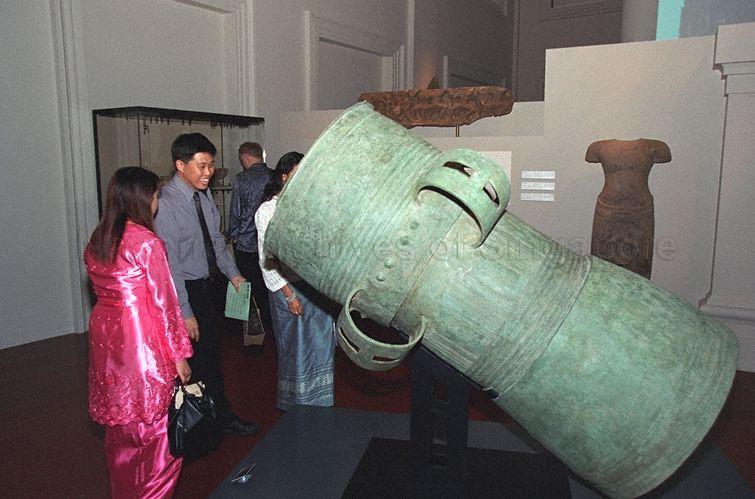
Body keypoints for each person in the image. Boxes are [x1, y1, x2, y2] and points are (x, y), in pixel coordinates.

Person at [84, 167, 193, 498]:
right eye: (156, 196)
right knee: (159, 445)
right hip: (142, 345)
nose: (157, 202)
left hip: (107, 344)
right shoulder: (146, 242)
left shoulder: (98, 240)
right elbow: (164, 305)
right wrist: (179, 357)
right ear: (143, 199)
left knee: (120, 441)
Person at [155, 133, 258, 435]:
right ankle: (200, 424)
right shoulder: (166, 204)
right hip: (187, 292)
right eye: (201, 166)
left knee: (212, 356)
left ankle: (216, 417)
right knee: (196, 362)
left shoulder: (204, 195)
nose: (208, 173)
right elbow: (170, 265)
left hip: (209, 284)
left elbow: (216, 240)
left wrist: (233, 274)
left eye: (211, 165)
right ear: (180, 165)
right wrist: (185, 312)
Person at [255, 151, 337, 410]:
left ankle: (321, 402)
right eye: (297, 173)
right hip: (288, 290)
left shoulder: (309, 208)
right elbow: (265, 259)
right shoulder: (268, 211)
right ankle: (297, 407)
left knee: (322, 347)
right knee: (297, 350)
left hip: (314, 290)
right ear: (283, 176)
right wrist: (288, 294)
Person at [228, 142, 274, 335]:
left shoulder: (241, 179)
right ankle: (271, 328)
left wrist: (233, 234)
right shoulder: (274, 175)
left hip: (247, 243)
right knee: (268, 288)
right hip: (269, 243)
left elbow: (236, 211)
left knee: (244, 288)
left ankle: (248, 330)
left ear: (245, 157)